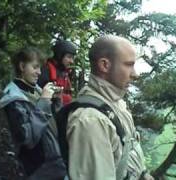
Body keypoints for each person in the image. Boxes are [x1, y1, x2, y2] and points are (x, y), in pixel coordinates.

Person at [66, 35, 154, 180]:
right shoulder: (91, 121)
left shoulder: (115, 103)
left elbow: (129, 147)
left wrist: (143, 174)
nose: (135, 74)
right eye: (128, 65)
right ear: (104, 65)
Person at [0, 47, 67, 180]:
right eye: (35, 67)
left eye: (40, 68)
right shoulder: (13, 99)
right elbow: (27, 139)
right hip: (39, 168)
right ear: (22, 66)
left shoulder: (36, 90)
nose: (39, 72)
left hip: (56, 163)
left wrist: (57, 101)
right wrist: (45, 100)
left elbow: (54, 124)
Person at [38, 40, 77, 106]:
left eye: (72, 58)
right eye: (69, 57)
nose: (72, 61)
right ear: (59, 55)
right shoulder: (45, 70)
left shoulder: (65, 74)